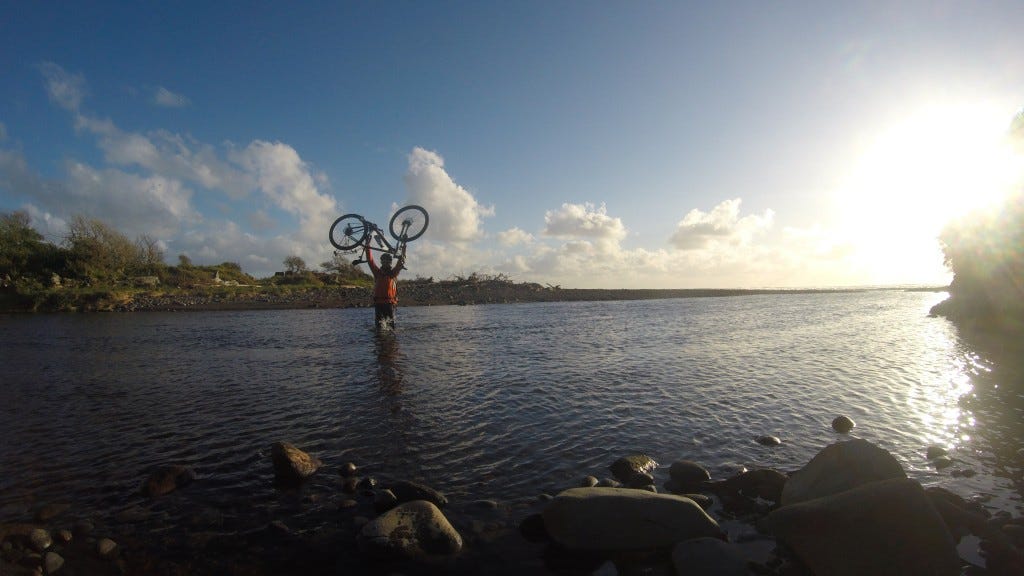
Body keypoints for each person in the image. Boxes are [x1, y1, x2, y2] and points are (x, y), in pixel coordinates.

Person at [364, 237, 405, 329]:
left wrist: (404, 246)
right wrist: (368, 246)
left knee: (391, 327)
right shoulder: (377, 272)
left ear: (390, 262)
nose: (386, 262)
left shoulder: (393, 273)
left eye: (388, 261)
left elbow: (401, 260)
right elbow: (370, 261)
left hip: (390, 304)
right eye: (384, 260)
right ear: (381, 262)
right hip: (378, 303)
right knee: (379, 328)